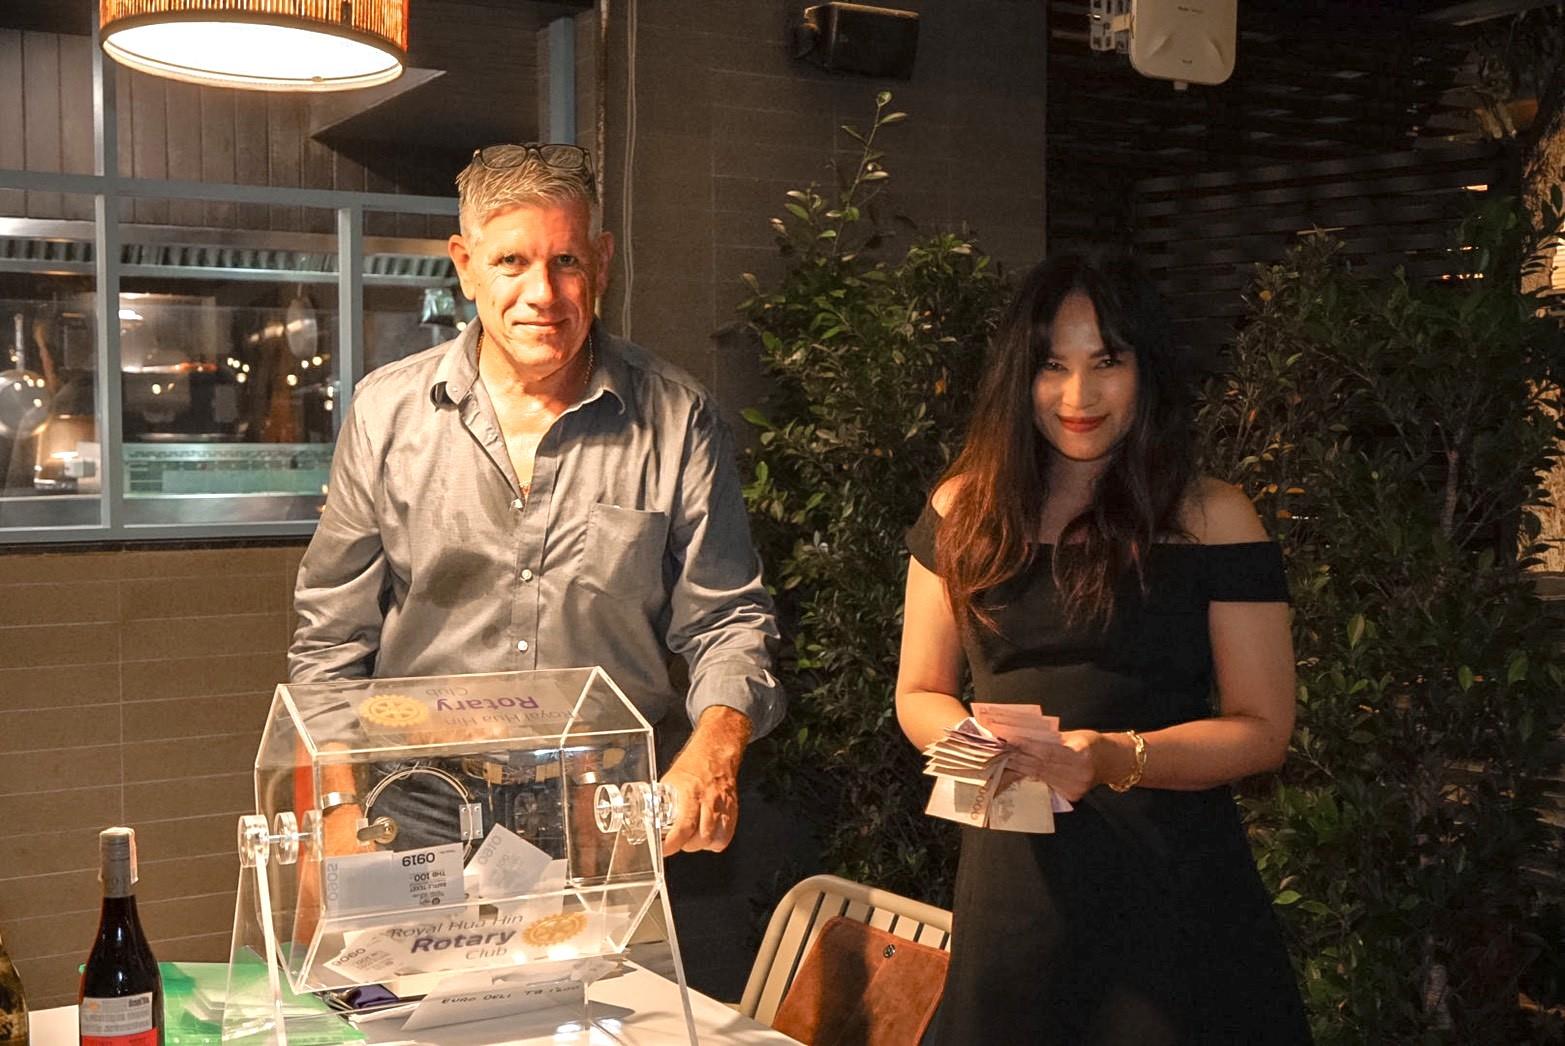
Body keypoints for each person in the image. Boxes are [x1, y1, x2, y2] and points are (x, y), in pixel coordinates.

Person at [289, 142, 784, 859]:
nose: (542, 294)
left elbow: (727, 619)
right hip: (417, 802)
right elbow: (332, 637)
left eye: (566, 261)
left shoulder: (679, 419)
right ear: (465, 265)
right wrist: (336, 807)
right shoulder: (384, 412)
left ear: (602, 263)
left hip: (602, 806)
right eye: (511, 261)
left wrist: (715, 749)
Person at [896, 251, 1310, 1043]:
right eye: (1052, 366)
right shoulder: (961, 509)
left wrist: (1114, 756)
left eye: (1106, 363)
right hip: (1011, 883)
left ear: (1145, 370)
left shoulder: (1213, 516)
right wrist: (976, 744)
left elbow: (1264, 730)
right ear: (1019, 376)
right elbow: (918, 691)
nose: (1077, 396)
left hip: (1172, 889)